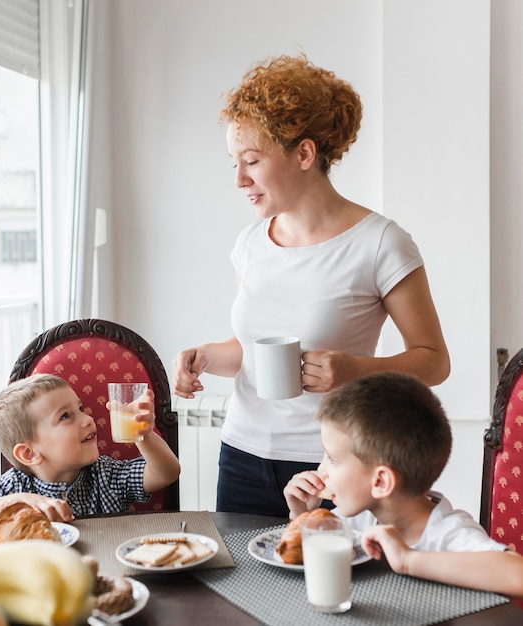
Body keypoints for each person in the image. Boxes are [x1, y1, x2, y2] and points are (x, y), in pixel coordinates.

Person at [172, 53, 450, 517]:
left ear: (304, 154)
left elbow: (434, 361)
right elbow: (251, 349)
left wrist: (356, 372)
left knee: (326, 586)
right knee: (241, 587)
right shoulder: (250, 244)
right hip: (241, 454)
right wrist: (203, 357)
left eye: (252, 161)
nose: (239, 179)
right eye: (233, 163)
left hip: (330, 465)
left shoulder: (381, 243)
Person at [283, 372, 523, 598]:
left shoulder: (449, 533)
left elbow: (518, 576)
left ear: (380, 482)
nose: (321, 471)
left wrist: (408, 560)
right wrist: (303, 516)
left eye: (332, 459)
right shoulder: (361, 519)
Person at [0, 374, 180, 534]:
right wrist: (18, 500)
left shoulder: (106, 475)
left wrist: (143, 434)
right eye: (66, 416)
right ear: (29, 453)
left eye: (80, 409)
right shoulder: (15, 488)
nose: (87, 419)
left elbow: (167, 472)